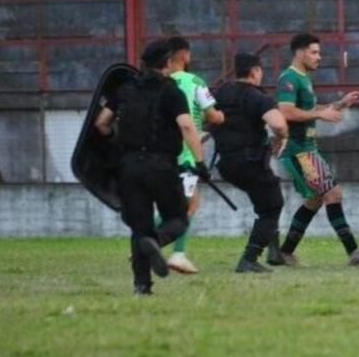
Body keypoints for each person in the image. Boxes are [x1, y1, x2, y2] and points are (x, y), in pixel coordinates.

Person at [93, 40, 207, 295]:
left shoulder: (124, 89)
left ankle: (141, 286)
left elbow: (101, 123)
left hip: (128, 167)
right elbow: (187, 127)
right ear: (167, 63)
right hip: (161, 165)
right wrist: (200, 163)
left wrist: (114, 140)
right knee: (178, 218)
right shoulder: (171, 91)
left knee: (139, 226)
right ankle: (154, 242)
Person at [275, 33, 359, 266]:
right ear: (300, 52)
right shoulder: (289, 78)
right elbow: (285, 111)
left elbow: (312, 109)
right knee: (333, 193)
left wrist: (340, 104)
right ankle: (354, 252)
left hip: (308, 148)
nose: (319, 57)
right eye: (314, 52)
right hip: (299, 149)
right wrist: (320, 114)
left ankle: (284, 252)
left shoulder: (303, 78)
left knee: (314, 200)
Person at [211, 52, 290, 273]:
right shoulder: (258, 97)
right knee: (272, 206)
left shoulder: (221, 93)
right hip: (250, 162)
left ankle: (273, 251)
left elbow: (208, 122)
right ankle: (250, 258)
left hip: (226, 164)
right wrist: (281, 138)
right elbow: (279, 125)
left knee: (267, 198)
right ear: (255, 71)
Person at [163, 36, 224, 274]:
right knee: (187, 204)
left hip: (159, 153)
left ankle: (148, 243)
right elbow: (212, 115)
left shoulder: (158, 82)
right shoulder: (194, 82)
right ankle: (175, 252)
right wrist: (221, 117)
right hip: (186, 152)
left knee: (178, 202)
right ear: (184, 55)